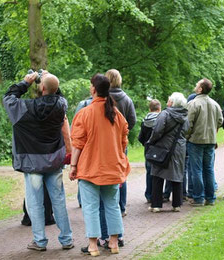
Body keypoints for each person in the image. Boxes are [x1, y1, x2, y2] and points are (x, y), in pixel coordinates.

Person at [3, 71, 73, 251]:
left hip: (32, 161)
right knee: (58, 200)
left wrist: (25, 82)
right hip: (55, 160)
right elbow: (59, 94)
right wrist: (50, 79)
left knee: (35, 202)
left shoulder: (24, 108)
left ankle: (40, 241)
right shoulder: (61, 106)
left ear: (41, 88)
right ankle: (66, 240)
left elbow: (9, 98)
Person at [69, 74, 130, 256]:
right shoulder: (116, 114)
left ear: (93, 89)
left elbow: (77, 144)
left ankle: (93, 245)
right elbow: (123, 141)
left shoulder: (85, 113)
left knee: (91, 207)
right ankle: (113, 243)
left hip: (90, 168)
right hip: (112, 168)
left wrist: (73, 166)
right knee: (113, 206)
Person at [147, 92, 189, 213]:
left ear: (173, 103)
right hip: (179, 149)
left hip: (163, 147)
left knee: (158, 174)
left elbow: (157, 131)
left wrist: (151, 142)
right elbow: (186, 130)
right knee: (177, 175)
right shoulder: (185, 116)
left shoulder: (165, 114)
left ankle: (156, 205)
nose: (167, 102)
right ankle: (177, 205)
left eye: (169, 100)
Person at [186, 78, 223, 206]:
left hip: (196, 140)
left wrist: (187, 136)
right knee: (209, 169)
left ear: (200, 88)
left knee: (196, 169)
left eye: (197, 84)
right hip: (210, 141)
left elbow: (188, 124)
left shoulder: (193, 104)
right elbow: (220, 121)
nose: (195, 86)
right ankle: (210, 198)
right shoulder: (215, 104)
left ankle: (198, 198)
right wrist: (214, 132)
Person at [106, 69, 136, 217]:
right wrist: (124, 131)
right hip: (121, 142)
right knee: (121, 173)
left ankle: (108, 205)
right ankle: (121, 207)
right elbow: (132, 121)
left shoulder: (103, 98)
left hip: (105, 142)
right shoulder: (127, 99)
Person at [138, 99, 162, 203]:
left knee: (149, 171)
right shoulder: (162, 120)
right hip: (160, 149)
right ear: (159, 109)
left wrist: (146, 144)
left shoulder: (144, 121)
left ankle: (149, 194)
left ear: (149, 109)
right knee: (159, 172)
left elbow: (140, 137)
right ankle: (158, 195)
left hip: (148, 150)